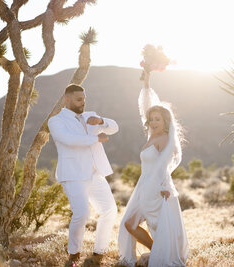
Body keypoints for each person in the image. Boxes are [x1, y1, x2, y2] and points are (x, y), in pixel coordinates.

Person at [118, 71, 189, 267]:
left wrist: (165, 187)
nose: (154, 122)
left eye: (158, 119)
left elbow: (165, 165)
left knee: (157, 226)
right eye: (151, 119)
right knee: (129, 224)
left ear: (165, 121)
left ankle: (161, 256)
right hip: (144, 186)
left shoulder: (164, 138)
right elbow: (146, 107)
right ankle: (157, 251)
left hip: (158, 188)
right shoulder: (151, 136)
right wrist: (147, 82)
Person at [48, 84, 119, 266]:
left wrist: (101, 121)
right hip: (73, 174)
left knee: (110, 210)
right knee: (82, 213)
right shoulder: (56, 121)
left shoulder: (90, 116)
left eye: (84, 99)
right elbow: (68, 140)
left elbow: (114, 128)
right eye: (79, 99)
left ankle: (99, 252)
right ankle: (74, 254)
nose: (83, 103)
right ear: (67, 99)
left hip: (95, 173)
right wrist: (96, 138)